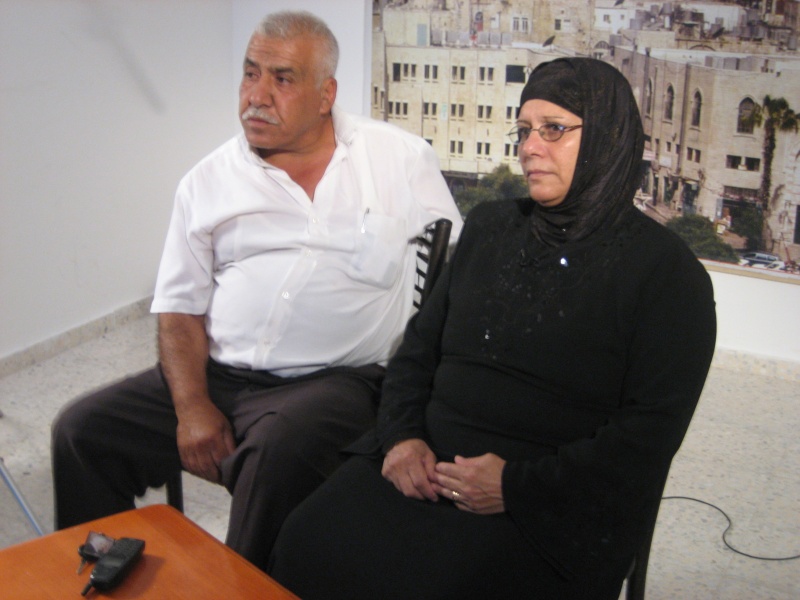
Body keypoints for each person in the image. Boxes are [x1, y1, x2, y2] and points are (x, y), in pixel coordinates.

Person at [268, 57, 717, 599]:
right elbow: (416, 353)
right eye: (524, 130)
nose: (530, 147)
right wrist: (402, 438)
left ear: (606, 137)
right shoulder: (489, 229)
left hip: (549, 503)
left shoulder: (668, 275)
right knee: (305, 539)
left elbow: (648, 437)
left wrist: (514, 487)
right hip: (425, 466)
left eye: (554, 129)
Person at [51, 10, 462, 571]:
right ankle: (101, 576)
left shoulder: (398, 158)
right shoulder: (207, 182)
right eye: (250, 74)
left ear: (326, 94)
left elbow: (458, 268)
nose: (256, 96)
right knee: (81, 431)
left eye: (282, 78)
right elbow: (178, 310)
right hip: (220, 376)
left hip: (337, 381)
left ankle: (245, 586)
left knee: (277, 453)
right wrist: (193, 406)